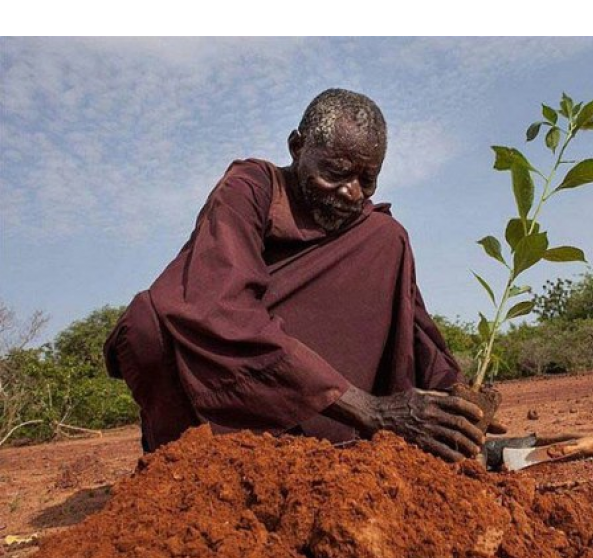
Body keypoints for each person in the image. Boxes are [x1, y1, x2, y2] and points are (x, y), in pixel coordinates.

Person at [104, 88, 494, 463]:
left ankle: (326, 447)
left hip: (318, 423)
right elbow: (219, 309)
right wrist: (370, 409)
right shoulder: (248, 190)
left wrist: (456, 404)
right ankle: (186, 461)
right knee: (147, 322)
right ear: (297, 147)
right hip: (219, 405)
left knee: (387, 237)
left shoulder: (372, 234)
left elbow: (414, 328)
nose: (352, 193)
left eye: (367, 179)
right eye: (336, 173)